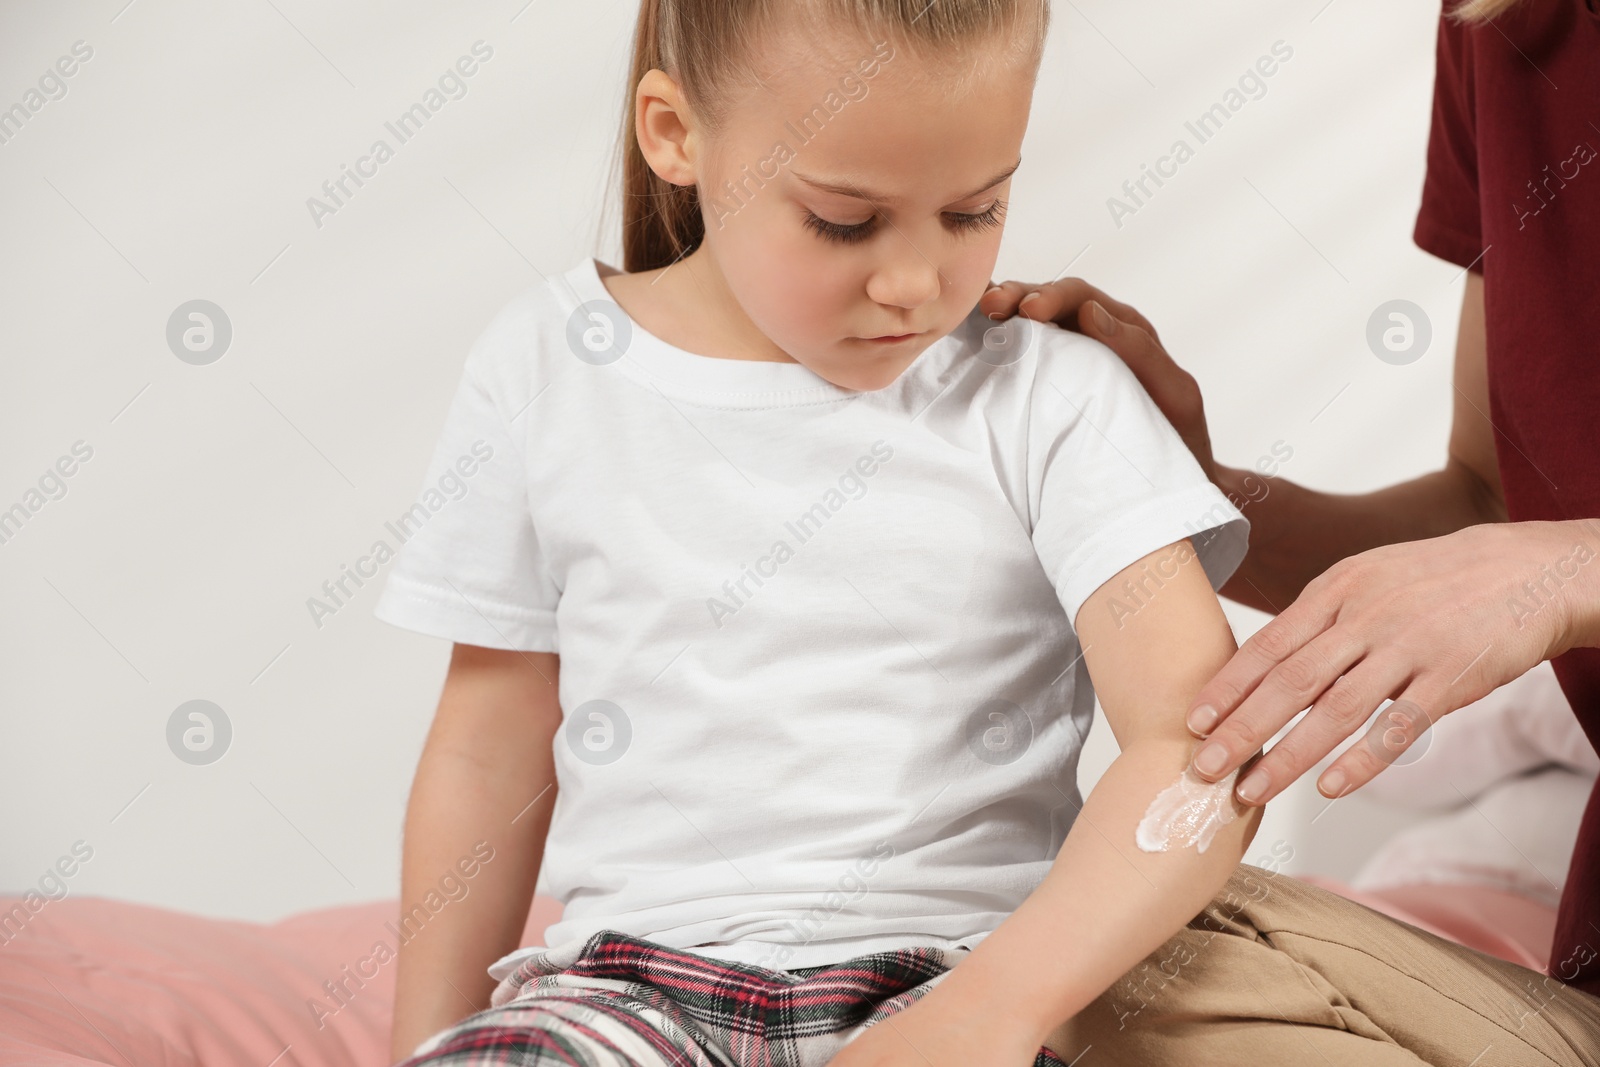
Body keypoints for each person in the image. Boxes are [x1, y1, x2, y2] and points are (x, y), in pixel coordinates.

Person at [376, 1, 1600, 1065]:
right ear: (674, 135)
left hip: (953, 970)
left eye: (976, 210)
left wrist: (988, 1010)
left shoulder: (1051, 397)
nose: (916, 283)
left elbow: (1194, 747)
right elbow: (488, 746)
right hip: (628, 989)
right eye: (846, 221)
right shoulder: (547, 367)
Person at [983, 0, 1600, 1026]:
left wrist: (1567, 571)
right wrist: (1195, 498)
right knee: (1088, 969)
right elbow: (1491, 503)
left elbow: (1529, 556)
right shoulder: (1499, 26)